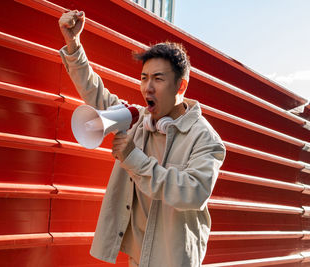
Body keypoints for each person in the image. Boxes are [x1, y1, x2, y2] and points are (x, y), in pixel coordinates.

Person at [58, 10, 226, 267]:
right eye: (144, 78)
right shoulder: (140, 122)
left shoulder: (205, 138)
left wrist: (134, 159)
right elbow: (97, 95)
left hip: (173, 260)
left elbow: (193, 192)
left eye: (158, 79)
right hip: (138, 256)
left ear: (181, 86)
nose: (148, 87)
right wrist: (74, 45)